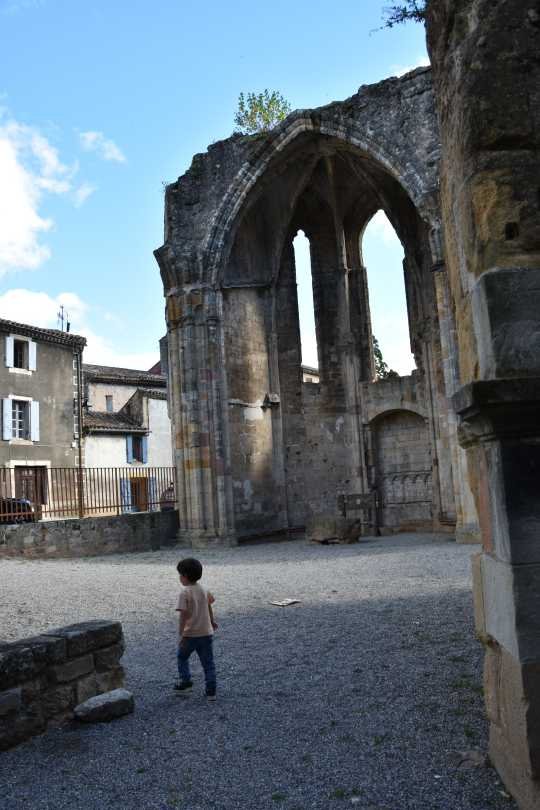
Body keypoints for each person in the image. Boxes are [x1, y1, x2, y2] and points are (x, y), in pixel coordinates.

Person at [175, 557, 217, 701]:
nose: (179, 578)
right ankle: (211, 692)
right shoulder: (204, 589)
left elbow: (183, 616)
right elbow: (209, 605)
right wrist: (212, 621)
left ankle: (186, 683)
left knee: (182, 657)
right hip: (206, 633)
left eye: (180, 575)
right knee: (208, 663)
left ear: (185, 576)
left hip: (190, 635)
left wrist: (181, 634)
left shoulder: (184, 593)